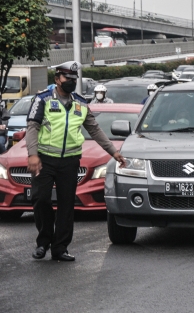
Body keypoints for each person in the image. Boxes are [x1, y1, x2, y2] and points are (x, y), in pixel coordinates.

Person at [26, 61, 126, 261]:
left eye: (74, 79)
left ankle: (60, 247)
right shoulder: (42, 99)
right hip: (44, 160)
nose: (70, 82)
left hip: (70, 161)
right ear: (57, 79)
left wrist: (113, 152)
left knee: (66, 205)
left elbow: (95, 130)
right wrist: (33, 154)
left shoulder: (80, 103)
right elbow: (32, 127)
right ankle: (43, 241)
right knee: (41, 199)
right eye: (67, 78)